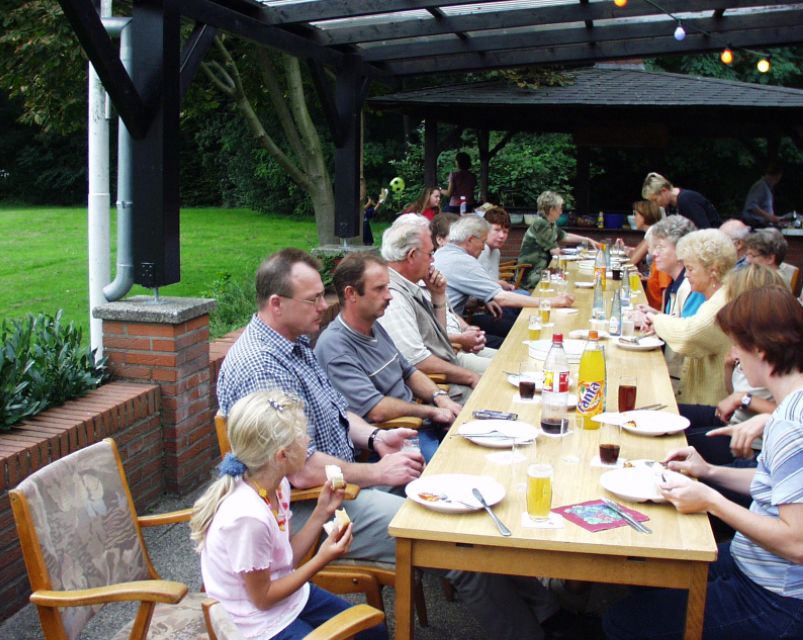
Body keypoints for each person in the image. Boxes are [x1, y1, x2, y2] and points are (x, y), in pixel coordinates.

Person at [603, 285, 803, 640]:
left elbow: (797, 544)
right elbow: (778, 487)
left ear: (760, 349)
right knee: (651, 569)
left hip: (777, 599)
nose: (733, 355)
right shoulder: (790, 406)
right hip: (752, 563)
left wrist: (711, 501)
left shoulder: (790, 424)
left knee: (622, 622)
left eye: (737, 346)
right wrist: (708, 472)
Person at [216, 248, 423, 564]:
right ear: (277, 304)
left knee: (438, 496)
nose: (325, 306)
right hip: (305, 508)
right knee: (433, 531)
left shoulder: (294, 343)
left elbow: (338, 411)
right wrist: (377, 471)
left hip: (337, 487)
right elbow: (301, 471)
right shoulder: (262, 367)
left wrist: (376, 438)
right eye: (313, 299)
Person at [190, 389, 388, 640]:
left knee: (372, 632)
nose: (308, 440)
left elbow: (286, 559)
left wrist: (321, 512)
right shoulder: (247, 518)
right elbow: (262, 599)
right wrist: (322, 558)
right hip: (253, 625)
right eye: (302, 435)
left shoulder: (277, 486)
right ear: (282, 455)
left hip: (288, 599)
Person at [314, 253, 463, 462]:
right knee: (459, 463)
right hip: (394, 441)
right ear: (351, 294)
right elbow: (376, 410)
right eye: (379, 289)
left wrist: (440, 397)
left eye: (388, 287)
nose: (389, 296)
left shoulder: (373, 325)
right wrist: (430, 412)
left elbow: (408, 371)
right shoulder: (335, 348)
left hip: (421, 424)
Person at [679, 266, 785, 466]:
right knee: (668, 416)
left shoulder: (776, 349)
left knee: (677, 441)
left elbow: (789, 412)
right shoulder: (749, 336)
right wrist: (728, 367)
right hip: (735, 420)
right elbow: (734, 391)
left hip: (754, 443)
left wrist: (743, 398)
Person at [378, 214, 489, 384]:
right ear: (412, 256)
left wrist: (438, 295)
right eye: (430, 253)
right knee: (506, 375)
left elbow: (439, 341)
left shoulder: (411, 284)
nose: (434, 259)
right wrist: (470, 376)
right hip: (437, 385)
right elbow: (418, 362)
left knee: (511, 365)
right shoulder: (393, 298)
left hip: (448, 363)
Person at [434, 214, 574, 340]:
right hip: (450, 335)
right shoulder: (463, 260)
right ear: (470, 240)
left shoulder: (443, 253)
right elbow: (501, 298)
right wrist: (551, 302)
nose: (483, 247)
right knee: (517, 336)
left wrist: (486, 297)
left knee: (518, 328)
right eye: (482, 242)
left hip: (452, 326)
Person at [642, 229, 737, 406]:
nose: (686, 275)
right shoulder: (719, 295)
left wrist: (655, 320)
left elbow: (688, 334)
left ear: (713, 271)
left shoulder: (722, 302)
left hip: (711, 405)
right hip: (703, 399)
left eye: (691, 269)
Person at [517, 191, 599, 289]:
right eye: (560, 208)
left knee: (568, 280)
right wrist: (578, 258)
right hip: (532, 275)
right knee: (568, 282)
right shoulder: (541, 224)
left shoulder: (550, 223)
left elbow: (565, 236)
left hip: (543, 271)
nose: (561, 212)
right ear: (552, 210)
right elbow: (555, 251)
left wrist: (587, 239)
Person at [642, 171, 720, 229]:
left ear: (664, 191)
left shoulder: (687, 200)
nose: (655, 204)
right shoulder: (669, 206)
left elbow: (704, 230)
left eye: (655, 200)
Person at [741, 163, 783, 228]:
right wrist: (768, 216)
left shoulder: (767, 188)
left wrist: (773, 217)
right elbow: (752, 206)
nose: (776, 182)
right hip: (754, 224)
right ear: (771, 176)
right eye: (776, 179)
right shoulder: (760, 186)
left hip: (763, 223)